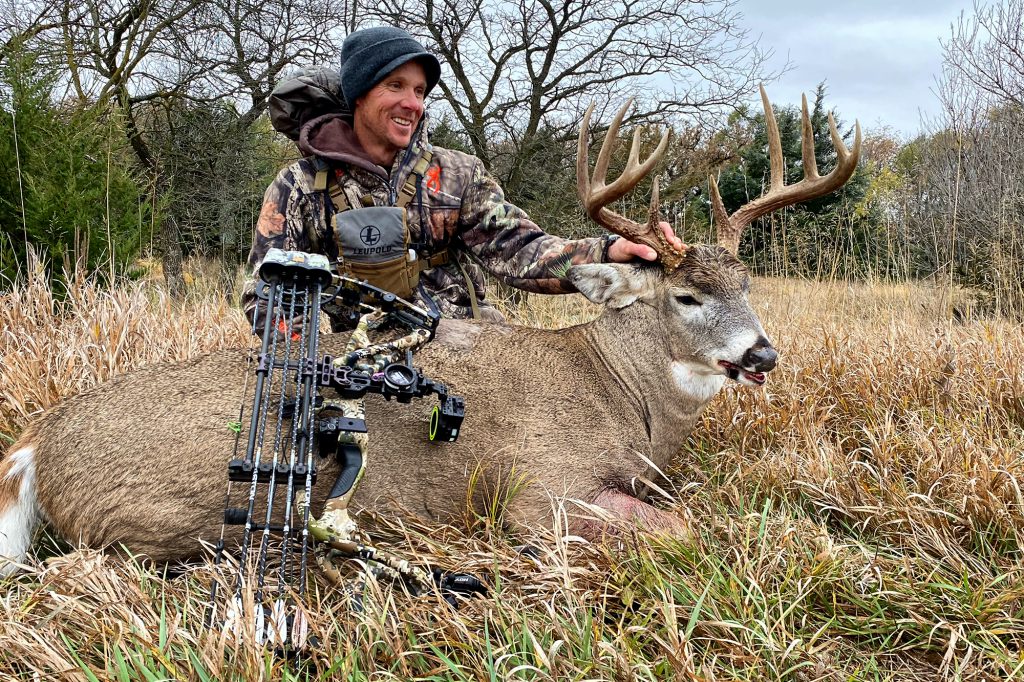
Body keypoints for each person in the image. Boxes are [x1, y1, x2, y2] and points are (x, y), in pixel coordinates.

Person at [243, 26, 682, 330]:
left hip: (462, 347)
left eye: (419, 91)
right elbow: (267, 290)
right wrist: (312, 352)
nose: (411, 104)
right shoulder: (299, 186)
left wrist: (609, 249)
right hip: (354, 359)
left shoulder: (457, 174)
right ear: (359, 94)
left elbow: (521, 250)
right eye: (395, 86)